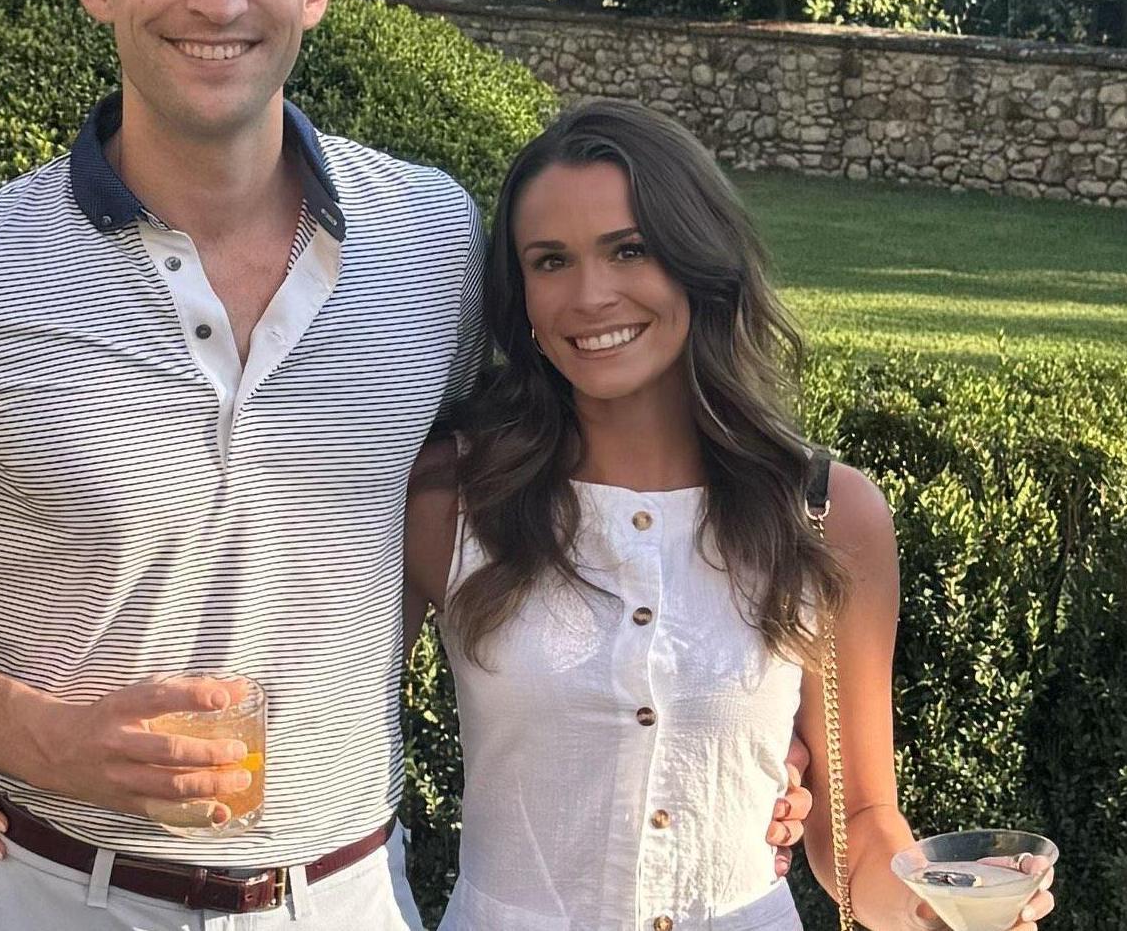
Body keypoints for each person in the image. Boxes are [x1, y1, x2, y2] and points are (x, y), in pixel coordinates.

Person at [0, 0, 809, 931]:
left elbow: (580, 474)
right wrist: (23, 731)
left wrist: (727, 728)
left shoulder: (429, 240)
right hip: (59, 890)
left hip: (346, 894)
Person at [398, 100, 1056, 931]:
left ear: (698, 261)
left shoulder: (826, 514)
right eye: (551, 261)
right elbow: (335, 738)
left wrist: (932, 906)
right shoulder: (454, 498)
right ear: (519, 295)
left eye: (630, 250)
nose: (591, 295)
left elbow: (856, 824)